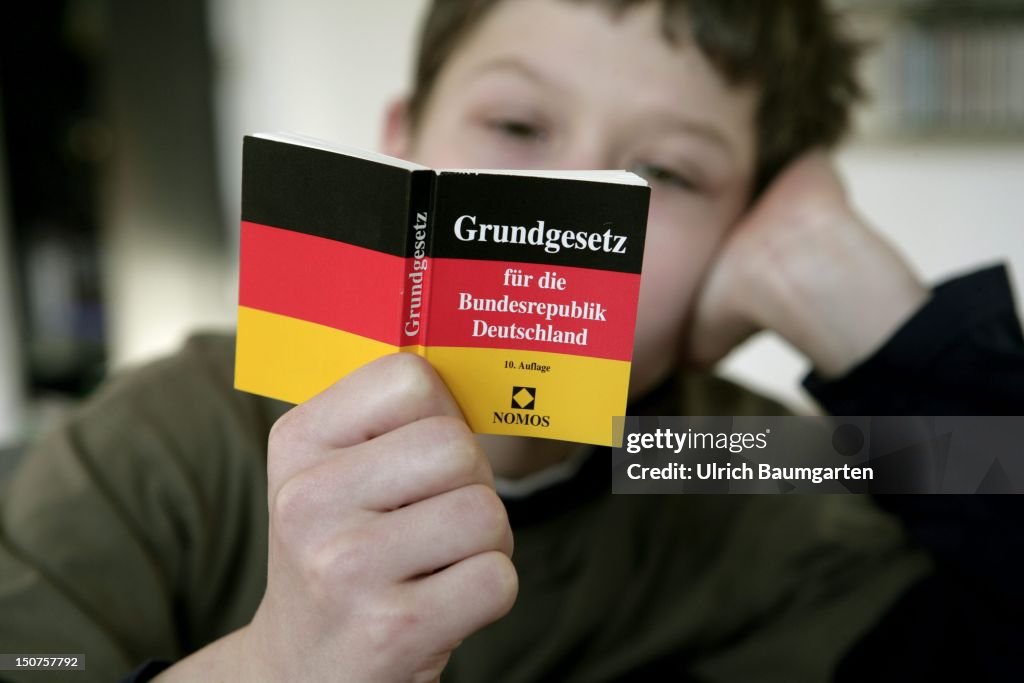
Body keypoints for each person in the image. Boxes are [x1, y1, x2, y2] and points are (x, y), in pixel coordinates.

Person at [1, 1, 1022, 681]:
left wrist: (880, 314)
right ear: (401, 140)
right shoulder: (172, 433)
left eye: (666, 172)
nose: (562, 202)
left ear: (741, 237)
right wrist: (271, 661)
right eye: (518, 129)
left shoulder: (732, 463)